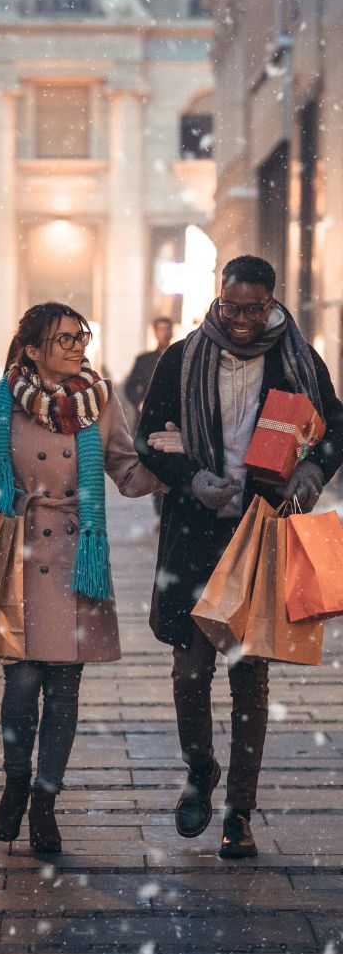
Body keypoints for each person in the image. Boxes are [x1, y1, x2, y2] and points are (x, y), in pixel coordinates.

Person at [136, 255, 343, 859]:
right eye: (233, 308)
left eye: (255, 308)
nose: (244, 320)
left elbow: (334, 426)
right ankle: (201, 771)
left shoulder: (297, 360)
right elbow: (152, 437)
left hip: (261, 534)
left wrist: (312, 466)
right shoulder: (183, 356)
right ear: (218, 298)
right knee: (190, 671)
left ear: (273, 301)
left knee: (249, 678)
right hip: (195, 538)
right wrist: (191, 477)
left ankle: (240, 814)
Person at [0, 303, 162, 853]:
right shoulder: (3, 400)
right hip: (24, 550)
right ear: (32, 349)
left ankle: (45, 804)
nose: (77, 346)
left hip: (79, 554)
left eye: (81, 337)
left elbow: (125, 469)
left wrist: (168, 464)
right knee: (22, 682)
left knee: (65, 688)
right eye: (64, 339)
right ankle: (14, 786)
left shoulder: (98, 401)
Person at [124, 316, 175, 419]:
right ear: (155, 332)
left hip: (173, 416)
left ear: (172, 333)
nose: (165, 333)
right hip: (148, 417)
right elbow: (130, 386)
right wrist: (139, 404)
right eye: (161, 330)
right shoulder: (144, 360)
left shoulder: (180, 357)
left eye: (167, 329)